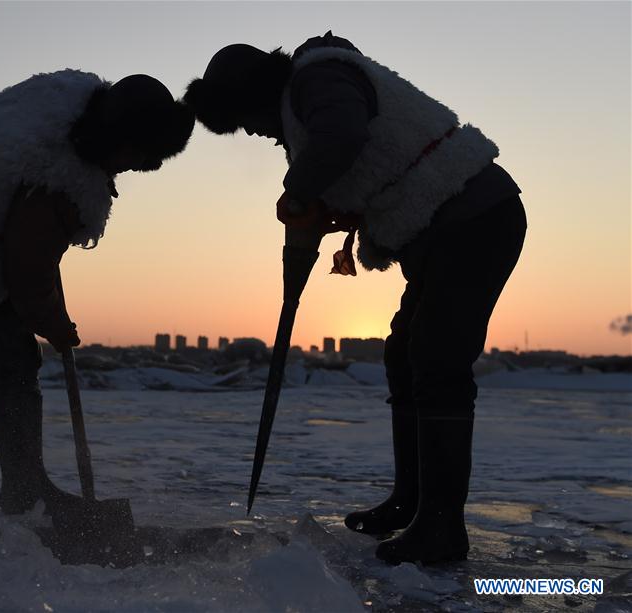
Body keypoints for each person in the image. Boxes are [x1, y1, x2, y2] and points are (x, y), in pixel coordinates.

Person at [184, 32, 526, 564]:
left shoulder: (318, 79)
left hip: (475, 218)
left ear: (254, 97)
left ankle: (441, 527)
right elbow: (366, 166)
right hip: (451, 227)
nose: (252, 130)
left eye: (246, 119)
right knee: (404, 354)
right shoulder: (308, 102)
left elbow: (343, 137)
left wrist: (299, 191)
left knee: (436, 360)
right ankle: (412, 502)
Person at [0, 70, 194, 525]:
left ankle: (26, 491)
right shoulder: (61, 178)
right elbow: (27, 274)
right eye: (137, 156)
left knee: (14, 359)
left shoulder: (70, 103)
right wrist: (56, 326)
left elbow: (29, 249)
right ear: (119, 137)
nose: (133, 169)